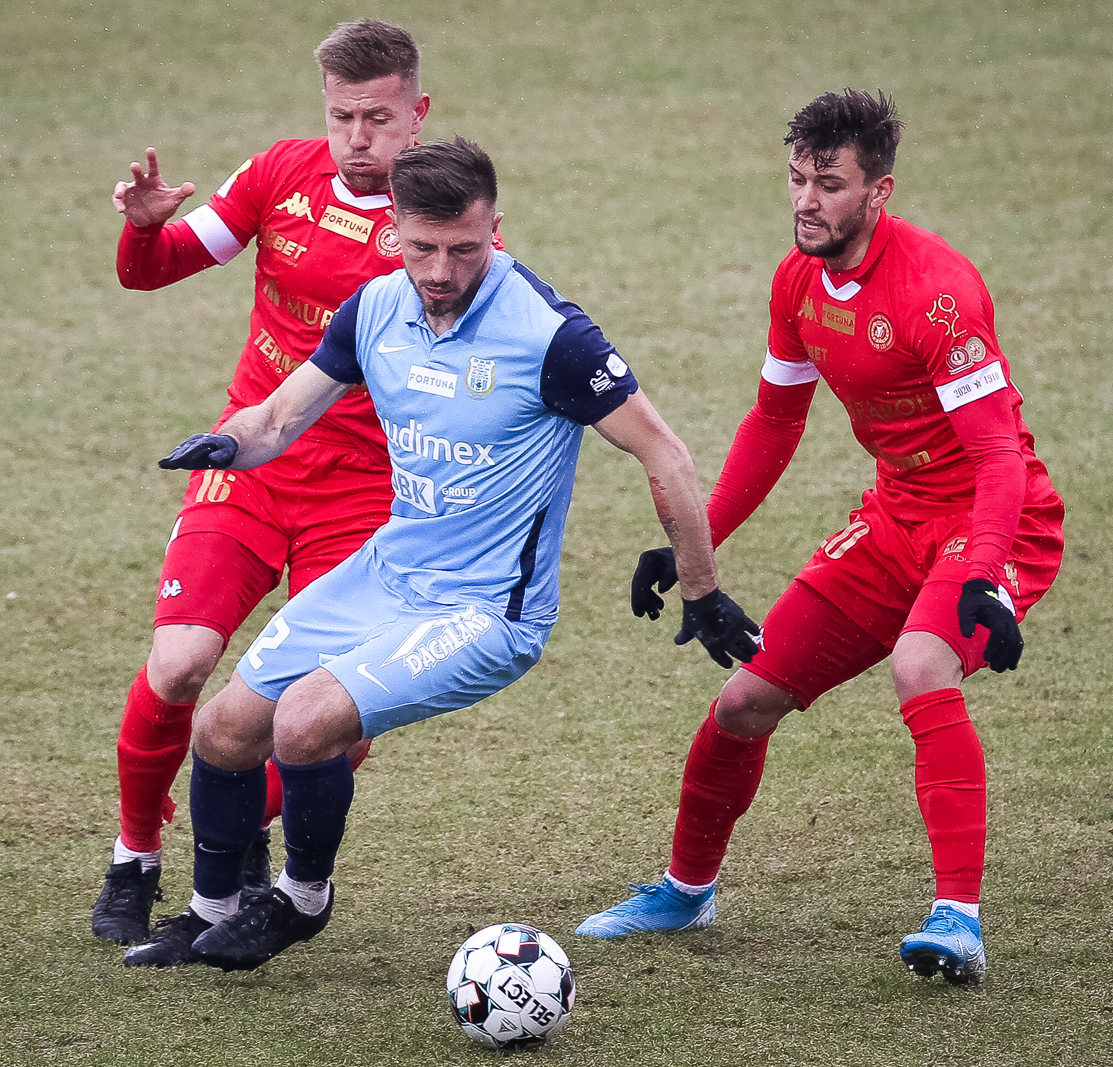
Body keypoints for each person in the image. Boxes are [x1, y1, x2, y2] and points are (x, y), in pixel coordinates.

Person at [122, 137, 760, 970]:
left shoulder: (550, 337)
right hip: (388, 573)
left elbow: (665, 453)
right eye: (422, 247)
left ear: (496, 227)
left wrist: (702, 590)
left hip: (487, 611)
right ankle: (209, 910)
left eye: (465, 248)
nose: (441, 269)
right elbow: (276, 419)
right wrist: (227, 445)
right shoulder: (374, 309)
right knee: (223, 729)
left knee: (305, 721)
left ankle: (302, 898)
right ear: (393, 230)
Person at [573, 90, 1065, 986]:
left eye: (829, 184)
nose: (806, 200)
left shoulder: (939, 296)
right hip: (895, 516)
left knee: (922, 664)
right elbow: (774, 423)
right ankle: (686, 890)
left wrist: (986, 573)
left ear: (879, 191)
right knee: (742, 702)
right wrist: (694, 544)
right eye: (798, 179)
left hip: (995, 518)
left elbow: (999, 457)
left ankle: (958, 919)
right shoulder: (797, 283)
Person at [93, 19, 440, 946]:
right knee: (179, 665)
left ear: (417, 114)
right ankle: (134, 856)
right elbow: (156, 270)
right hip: (248, 468)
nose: (357, 138)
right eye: (341, 117)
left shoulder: (438, 227)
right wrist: (143, 229)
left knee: (336, 720)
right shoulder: (280, 174)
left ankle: (241, 825)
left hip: (362, 496)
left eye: (377, 118)